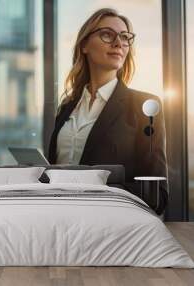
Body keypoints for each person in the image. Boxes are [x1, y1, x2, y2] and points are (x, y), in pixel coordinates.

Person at [47, 8, 168, 215]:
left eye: (124, 37)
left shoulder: (144, 106)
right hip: (59, 217)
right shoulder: (67, 106)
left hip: (109, 222)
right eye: (107, 34)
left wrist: (94, 192)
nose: (119, 43)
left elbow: (158, 194)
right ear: (84, 45)